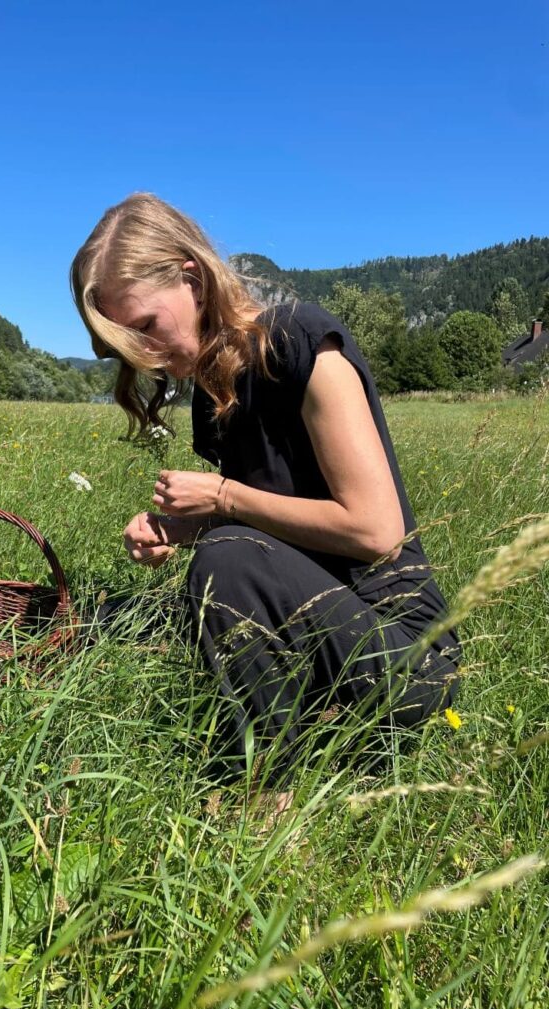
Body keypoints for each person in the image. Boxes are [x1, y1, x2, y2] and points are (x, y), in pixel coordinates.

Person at [70, 192, 460, 791]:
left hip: (407, 656)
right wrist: (181, 528)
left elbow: (374, 530)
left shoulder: (300, 341)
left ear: (191, 278)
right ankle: (301, 720)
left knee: (224, 562)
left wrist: (222, 501)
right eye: (126, 340)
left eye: (146, 325)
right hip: (320, 625)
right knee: (125, 614)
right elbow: (271, 523)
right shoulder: (213, 387)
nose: (142, 354)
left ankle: (258, 793)